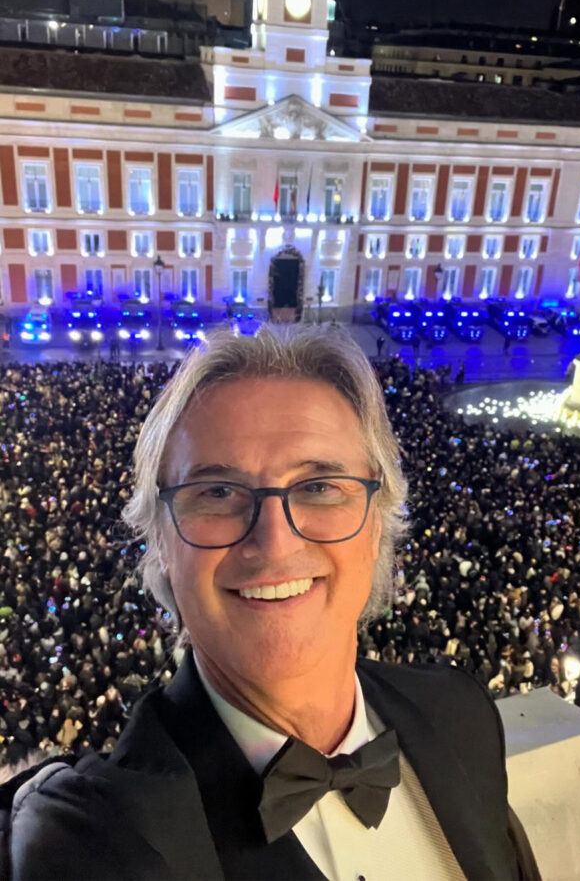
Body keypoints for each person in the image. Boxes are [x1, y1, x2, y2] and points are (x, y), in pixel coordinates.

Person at [3, 328, 539, 880]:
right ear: (161, 544)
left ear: (377, 521)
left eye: (319, 486)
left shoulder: (462, 715)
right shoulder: (98, 841)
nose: (275, 542)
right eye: (217, 492)